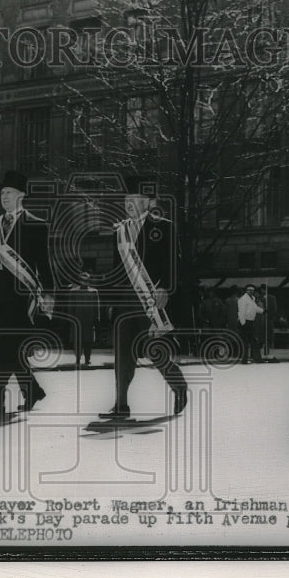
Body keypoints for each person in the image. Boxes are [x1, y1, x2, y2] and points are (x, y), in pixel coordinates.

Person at [0, 169, 56, 416]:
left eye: (9, 192)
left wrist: (48, 295)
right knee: (11, 348)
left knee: (8, 347)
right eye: (2, 193)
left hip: (22, 297)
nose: (4, 197)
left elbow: (43, 263)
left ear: (21, 195)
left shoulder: (36, 225)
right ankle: (32, 391)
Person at [100, 176, 188, 420]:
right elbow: (115, 270)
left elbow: (174, 264)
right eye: (126, 199)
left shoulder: (164, 226)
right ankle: (121, 405)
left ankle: (179, 386)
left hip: (149, 300)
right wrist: (110, 301)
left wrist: (166, 289)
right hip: (123, 303)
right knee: (122, 354)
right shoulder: (119, 232)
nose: (128, 203)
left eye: (135, 198)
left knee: (155, 350)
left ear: (150, 202)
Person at [67, 272, 100, 368]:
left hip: (89, 321)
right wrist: (70, 317)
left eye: (86, 280)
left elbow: (96, 306)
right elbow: (70, 306)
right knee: (77, 341)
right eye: (82, 280)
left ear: (89, 281)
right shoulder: (73, 291)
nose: (84, 282)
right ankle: (77, 359)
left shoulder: (94, 291)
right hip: (77, 320)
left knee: (88, 341)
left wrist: (97, 318)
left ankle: (87, 359)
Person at [237, 286, 264, 364]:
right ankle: (247, 359)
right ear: (246, 291)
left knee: (252, 340)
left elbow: (254, 308)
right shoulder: (243, 299)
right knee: (247, 341)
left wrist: (262, 311)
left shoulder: (252, 299)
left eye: (252, 290)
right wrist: (243, 323)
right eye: (249, 290)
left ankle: (254, 358)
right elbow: (241, 312)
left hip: (250, 322)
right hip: (245, 322)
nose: (251, 291)